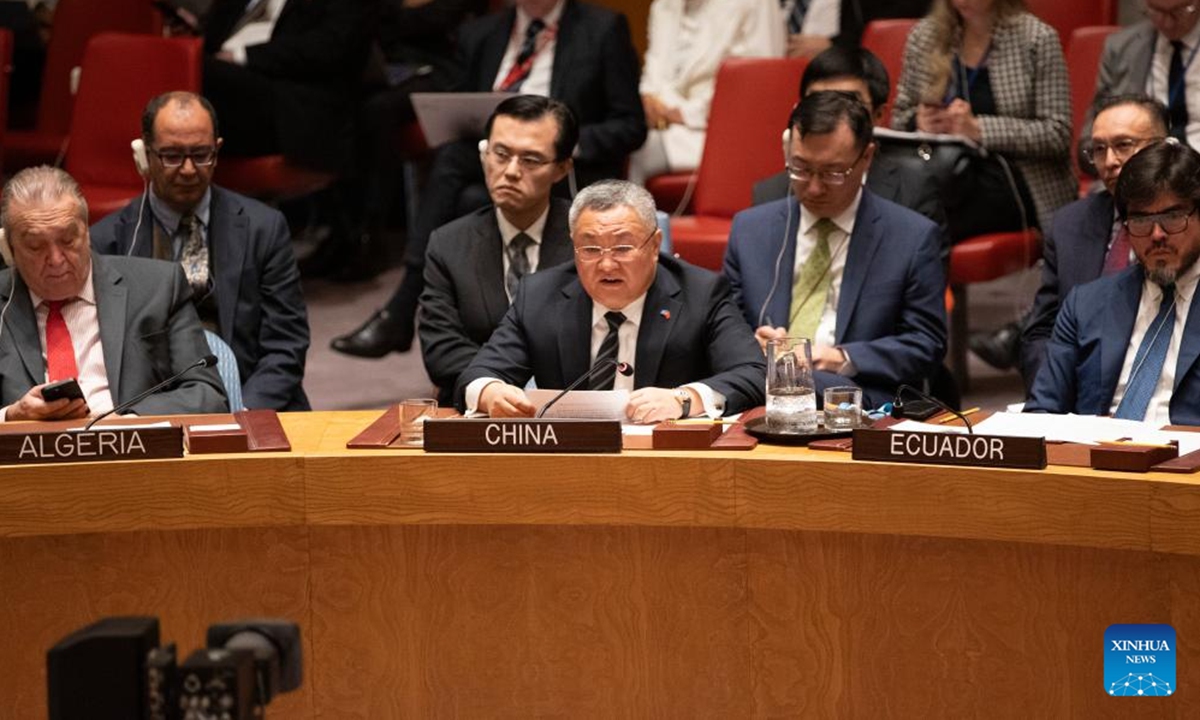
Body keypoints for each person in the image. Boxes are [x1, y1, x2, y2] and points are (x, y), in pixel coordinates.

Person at [330, 0, 646, 359]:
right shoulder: (483, 32)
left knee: (467, 198)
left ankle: (405, 306)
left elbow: (630, 125)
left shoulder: (602, 29)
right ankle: (473, 337)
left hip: (557, 167)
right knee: (456, 165)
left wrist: (563, 144)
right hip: (491, 154)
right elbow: (463, 102)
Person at [457, 180, 765, 421]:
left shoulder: (701, 293)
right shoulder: (539, 296)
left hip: (667, 463)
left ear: (655, 245)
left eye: (622, 248)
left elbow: (754, 372)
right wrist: (490, 392)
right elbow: (476, 376)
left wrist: (684, 400)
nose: (606, 265)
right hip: (569, 460)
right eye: (590, 250)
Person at [89, 92, 311, 412]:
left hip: (253, 399)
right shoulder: (108, 241)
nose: (190, 170)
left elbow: (286, 344)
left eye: (201, 154)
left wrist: (244, 414)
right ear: (145, 155)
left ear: (217, 150)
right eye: (172, 156)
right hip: (154, 408)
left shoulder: (264, 227)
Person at [724, 91, 946, 409]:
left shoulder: (911, 237)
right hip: (760, 393)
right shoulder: (750, 230)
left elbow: (926, 346)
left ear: (867, 158)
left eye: (833, 173)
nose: (814, 187)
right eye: (800, 168)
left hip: (855, 399)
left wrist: (838, 357)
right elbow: (722, 328)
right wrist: (751, 346)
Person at [0, 166, 227, 421]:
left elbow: (208, 394)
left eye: (67, 240)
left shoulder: (158, 287)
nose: (55, 259)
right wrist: (10, 416)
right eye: (35, 246)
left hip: (133, 452)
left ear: (86, 233)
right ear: (10, 249)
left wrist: (127, 422)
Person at [418, 96, 578, 406]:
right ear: (484, 155)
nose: (511, 171)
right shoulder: (448, 244)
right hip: (482, 411)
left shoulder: (587, 240)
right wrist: (488, 386)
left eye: (531, 160)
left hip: (573, 409)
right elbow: (441, 348)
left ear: (561, 169)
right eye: (500, 154)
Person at [1027, 139, 1200, 425]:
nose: (1157, 234)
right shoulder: (1086, 303)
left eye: (1172, 216)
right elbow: (1043, 411)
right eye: (1142, 219)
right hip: (1098, 459)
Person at [1018, 95, 1169, 390]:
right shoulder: (1069, 225)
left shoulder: (1188, 224)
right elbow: (1040, 332)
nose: (1110, 161)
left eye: (1124, 145)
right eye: (1099, 150)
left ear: (1162, 147)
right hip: (1078, 392)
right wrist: (1054, 390)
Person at [891, 0, 1075, 239]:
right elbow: (899, 117)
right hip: (940, 170)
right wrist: (920, 122)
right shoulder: (925, 36)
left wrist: (979, 128)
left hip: (1014, 177)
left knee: (924, 213)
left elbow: (1057, 133)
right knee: (895, 196)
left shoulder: (1036, 38)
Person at [752, 44, 947, 242]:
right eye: (819, 101)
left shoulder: (914, 191)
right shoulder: (770, 194)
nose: (832, 115)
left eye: (848, 104)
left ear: (878, 115)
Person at [198, 0, 374, 170]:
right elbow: (210, 37)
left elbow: (330, 47)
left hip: (288, 102)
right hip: (225, 85)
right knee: (184, 65)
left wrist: (242, 56)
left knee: (201, 73)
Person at [629, 0, 784, 184]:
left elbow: (758, 82)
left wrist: (681, 114)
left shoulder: (757, 4)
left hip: (723, 130)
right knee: (621, 139)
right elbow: (653, 70)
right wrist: (648, 100)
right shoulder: (664, 5)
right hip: (663, 125)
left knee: (640, 150)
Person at [1092, 0, 1200, 146]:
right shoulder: (1120, 47)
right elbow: (1093, 131)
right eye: (1157, 11)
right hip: (1142, 163)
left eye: (1179, 11)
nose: (1167, 23)